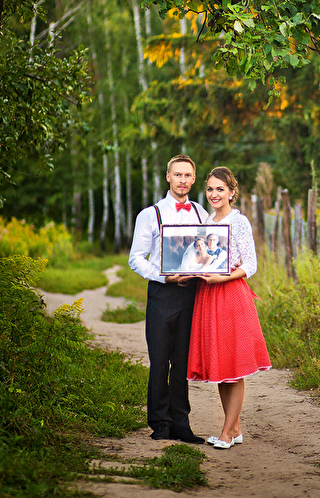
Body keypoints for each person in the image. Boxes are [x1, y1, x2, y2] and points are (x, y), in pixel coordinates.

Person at [187, 166, 271, 449]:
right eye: (210, 189)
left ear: (232, 192)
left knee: (233, 365)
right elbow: (201, 258)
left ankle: (226, 433)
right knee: (221, 366)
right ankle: (234, 428)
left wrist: (222, 277)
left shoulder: (239, 222)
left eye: (220, 189)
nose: (214, 194)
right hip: (208, 295)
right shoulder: (206, 222)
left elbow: (251, 265)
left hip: (230, 295)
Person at [128, 155, 209, 444]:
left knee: (183, 360)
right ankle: (160, 423)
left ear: (193, 179)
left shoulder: (201, 213)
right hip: (162, 292)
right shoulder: (150, 214)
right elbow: (136, 258)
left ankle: (181, 423)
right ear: (168, 177)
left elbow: (211, 250)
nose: (182, 180)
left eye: (187, 175)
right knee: (160, 359)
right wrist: (163, 276)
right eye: (177, 175)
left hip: (192, 294)